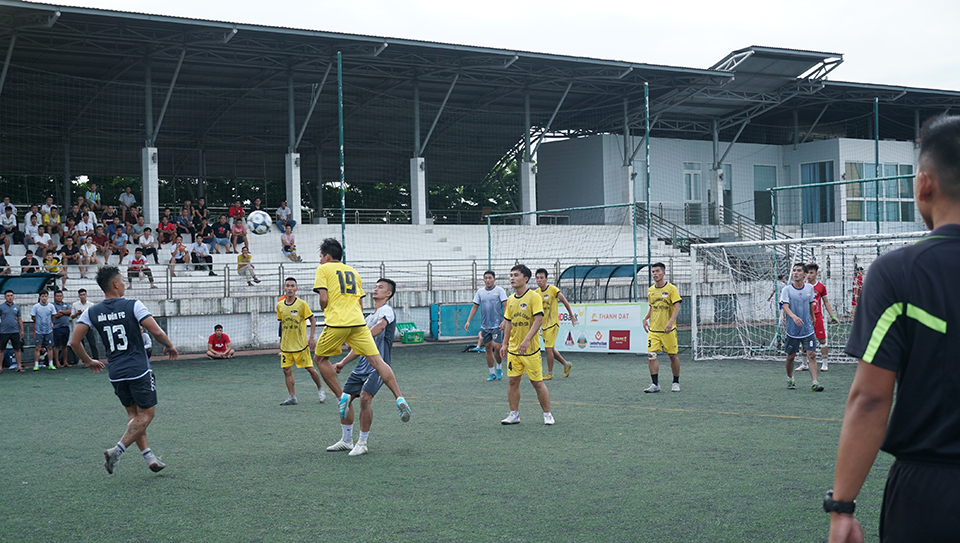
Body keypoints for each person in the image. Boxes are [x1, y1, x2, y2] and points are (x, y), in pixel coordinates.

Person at [828, 115, 960, 543]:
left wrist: (842, 506)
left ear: (923, 184)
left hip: (931, 494)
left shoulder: (898, 273)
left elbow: (870, 398)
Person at [69, 266, 178, 475]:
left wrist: (89, 361)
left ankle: (149, 458)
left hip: (116, 372)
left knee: (133, 416)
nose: (125, 284)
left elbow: (74, 341)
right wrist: (170, 345)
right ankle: (117, 451)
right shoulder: (133, 305)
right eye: (123, 281)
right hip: (138, 369)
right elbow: (156, 331)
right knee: (147, 414)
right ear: (115, 284)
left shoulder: (92, 311)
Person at [313, 238, 410, 422]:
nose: (319, 260)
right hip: (358, 322)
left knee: (319, 359)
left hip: (337, 322)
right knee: (378, 361)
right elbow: (360, 301)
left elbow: (324, 299)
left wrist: (326, 308)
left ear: (327, 256)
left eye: (320, 256)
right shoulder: (353, 272)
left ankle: (340, 396)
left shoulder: (323, 269)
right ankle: (399, 397)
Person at [328, 278, 398, 456]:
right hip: (361, 366)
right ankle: (346, 440)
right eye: (375, 286)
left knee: (365, 398)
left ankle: (363, 442)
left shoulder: (386, 311)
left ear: (388, 293)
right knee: (344, 399)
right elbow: (360, 346)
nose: (375, 289)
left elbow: (380, 327)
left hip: (379, 366)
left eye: (380, 287)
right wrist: (343, 362)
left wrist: (361, 337)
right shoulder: (368, 318)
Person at [499, 264, 553, 425]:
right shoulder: (510, 299)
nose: (512, 278)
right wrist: (504, 344)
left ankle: (547, 414)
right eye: (511, 275)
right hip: (514, 351)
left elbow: (539, 320)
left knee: (537, 382)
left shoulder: (534, 297)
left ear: (525, 279)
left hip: (530, 351)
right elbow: (508, 322)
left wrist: (527, 339)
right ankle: (514, 414)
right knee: (512, 381)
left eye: (516, 275)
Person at [276, 277, 327, 405]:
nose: (290, 288)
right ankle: (292, 396)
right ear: (284, 288)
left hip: (300, 346)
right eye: (287, 285)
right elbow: (282, 324)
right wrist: (281, 341)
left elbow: (313, 320)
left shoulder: (302, 304)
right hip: (286, 347)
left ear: (296, 289)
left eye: (292, 286)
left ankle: (320, 389)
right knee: (286, 370)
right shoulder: (280, 305)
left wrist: (311, 338)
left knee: (310, 368)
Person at [779, 262, 823, 392]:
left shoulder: (809, 288)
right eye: (794, 270)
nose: (795, 273)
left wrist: (813, 318)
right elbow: (785, 306)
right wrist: (793, 317)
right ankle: (790, 377)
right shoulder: (787, 290)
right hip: (792, 330)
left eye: (798, 271)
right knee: (791, 356)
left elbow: (810, 304)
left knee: (812, 354)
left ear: (804, 274)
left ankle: (815, 382)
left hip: (807, 328)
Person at [641, 262, 683, 393]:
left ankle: (675, 382)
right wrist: (645, 318)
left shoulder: (671, 289)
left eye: (657, 271)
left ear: (664, 273)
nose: (655, 274)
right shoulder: (651, 290)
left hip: (668, 330)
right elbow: (652, 307)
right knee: (651, 355)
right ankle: (655, 384)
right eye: (653, 271)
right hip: (654, 330)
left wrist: (671, 322)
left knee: (672, 356)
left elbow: (677, 306)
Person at [463, 270, 508, 381]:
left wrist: (505, 320)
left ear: (494, 279)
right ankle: (491, 373)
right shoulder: (480, 292)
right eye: (486, 278)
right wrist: (468, 321)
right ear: (483, 280)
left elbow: (506, 306)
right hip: (485, 326)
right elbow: (475, 307)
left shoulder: (500, 290)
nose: (488, 280)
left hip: (497, 325)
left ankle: (499, 367)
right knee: (488, 348)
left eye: (490, 278)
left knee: (497, 347)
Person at [534, 268, 577, 380]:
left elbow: (564, 301)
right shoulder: (536, 293)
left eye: (541, 278)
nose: (539, 280)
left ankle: (549, 373)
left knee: (548, 349)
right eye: (537, 278)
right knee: (551, 349)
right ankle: (566, 364)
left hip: (553, 324)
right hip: (543, 325)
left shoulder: (553, 289)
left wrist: (571, 315)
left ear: (546, 279)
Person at [803, 263, 839, 372]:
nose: (808, 275)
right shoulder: (802, 285)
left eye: (811, 273)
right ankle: (804, 364)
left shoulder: (821, 287)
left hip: (817, 316)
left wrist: (832, 314)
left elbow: (826, 302)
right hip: (804, 317)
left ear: (816, 274)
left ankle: (824, 363)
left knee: (822, 340)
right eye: (807, 273)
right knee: (803, 340)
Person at [69, 288, 99, 367]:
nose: (82, 296)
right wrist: (78, 314)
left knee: (92, 343)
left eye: (84, 295)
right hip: (79, 326)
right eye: (81, 295)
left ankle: (96, 359)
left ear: (86, 295)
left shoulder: (91, 304)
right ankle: (85, 360)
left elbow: (94, 315)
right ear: (78, 296)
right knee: (81, 344)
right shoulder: (75, 305)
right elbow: (72, 316)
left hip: (88, 326)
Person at [30, 290, 57, 371]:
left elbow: (53, 316)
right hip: (38, 331)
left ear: (48, 297)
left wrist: (49, 324)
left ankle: (51, 364)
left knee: (49, 347)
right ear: (39, 297)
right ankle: (36, 364)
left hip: (48, 330)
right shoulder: (36, 307)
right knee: (37, 347)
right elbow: (33, 317)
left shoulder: (51, 306)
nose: (44, 298)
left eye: (45, 296)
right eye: (42, 296)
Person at [0, 290, 25, 372]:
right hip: (3, 332)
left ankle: (19, 367)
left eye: (11, 295)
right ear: (5, 297)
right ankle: (0, 368)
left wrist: (22, 330)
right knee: (1, 350)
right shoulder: (1, 307)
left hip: (15, 331)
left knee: (17, 349)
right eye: (8, 295)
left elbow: (19, 319)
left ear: (13, 297)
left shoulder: (17, 307)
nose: (10, 297)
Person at [51, 290, 72, 369]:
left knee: (64, 345)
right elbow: (55, 314)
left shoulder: (66, 304)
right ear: (55, 297)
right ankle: (57, 362)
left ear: (62, 296)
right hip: (57, 328)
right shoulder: (53, 306)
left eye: (60, 296)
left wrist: (61, 311)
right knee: (56, 346)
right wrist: (64, 312)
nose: (59, 297)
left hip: (66, 327)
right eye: (57, 296)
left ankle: (65, 362)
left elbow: (69, 311)